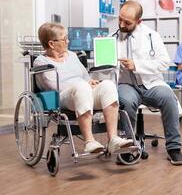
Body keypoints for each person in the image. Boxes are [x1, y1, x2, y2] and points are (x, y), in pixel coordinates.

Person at [34, 22, 133, 154]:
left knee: (108, 85)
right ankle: (89, 141)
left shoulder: (72, 55)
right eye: (64, 39)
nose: (68, 41)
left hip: (84, 91)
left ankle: (113, 139)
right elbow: (53, 85)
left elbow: (85, 76)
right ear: (51, 44)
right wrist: (82, 84)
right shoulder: (41, 61)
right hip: (62, 97)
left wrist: (90, 82)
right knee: (81, 87)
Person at [115, 0, 182, 165]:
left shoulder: (152, 36)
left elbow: (164, 63)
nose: (121, 24)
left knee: (168, 98)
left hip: (151, 83)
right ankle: (128, 147)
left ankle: (174, 148)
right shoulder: (113, 39)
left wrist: (136, 65)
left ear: (139, 22)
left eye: (127, 22)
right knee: (125, 101)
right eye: (120, 19)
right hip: (127, 84)